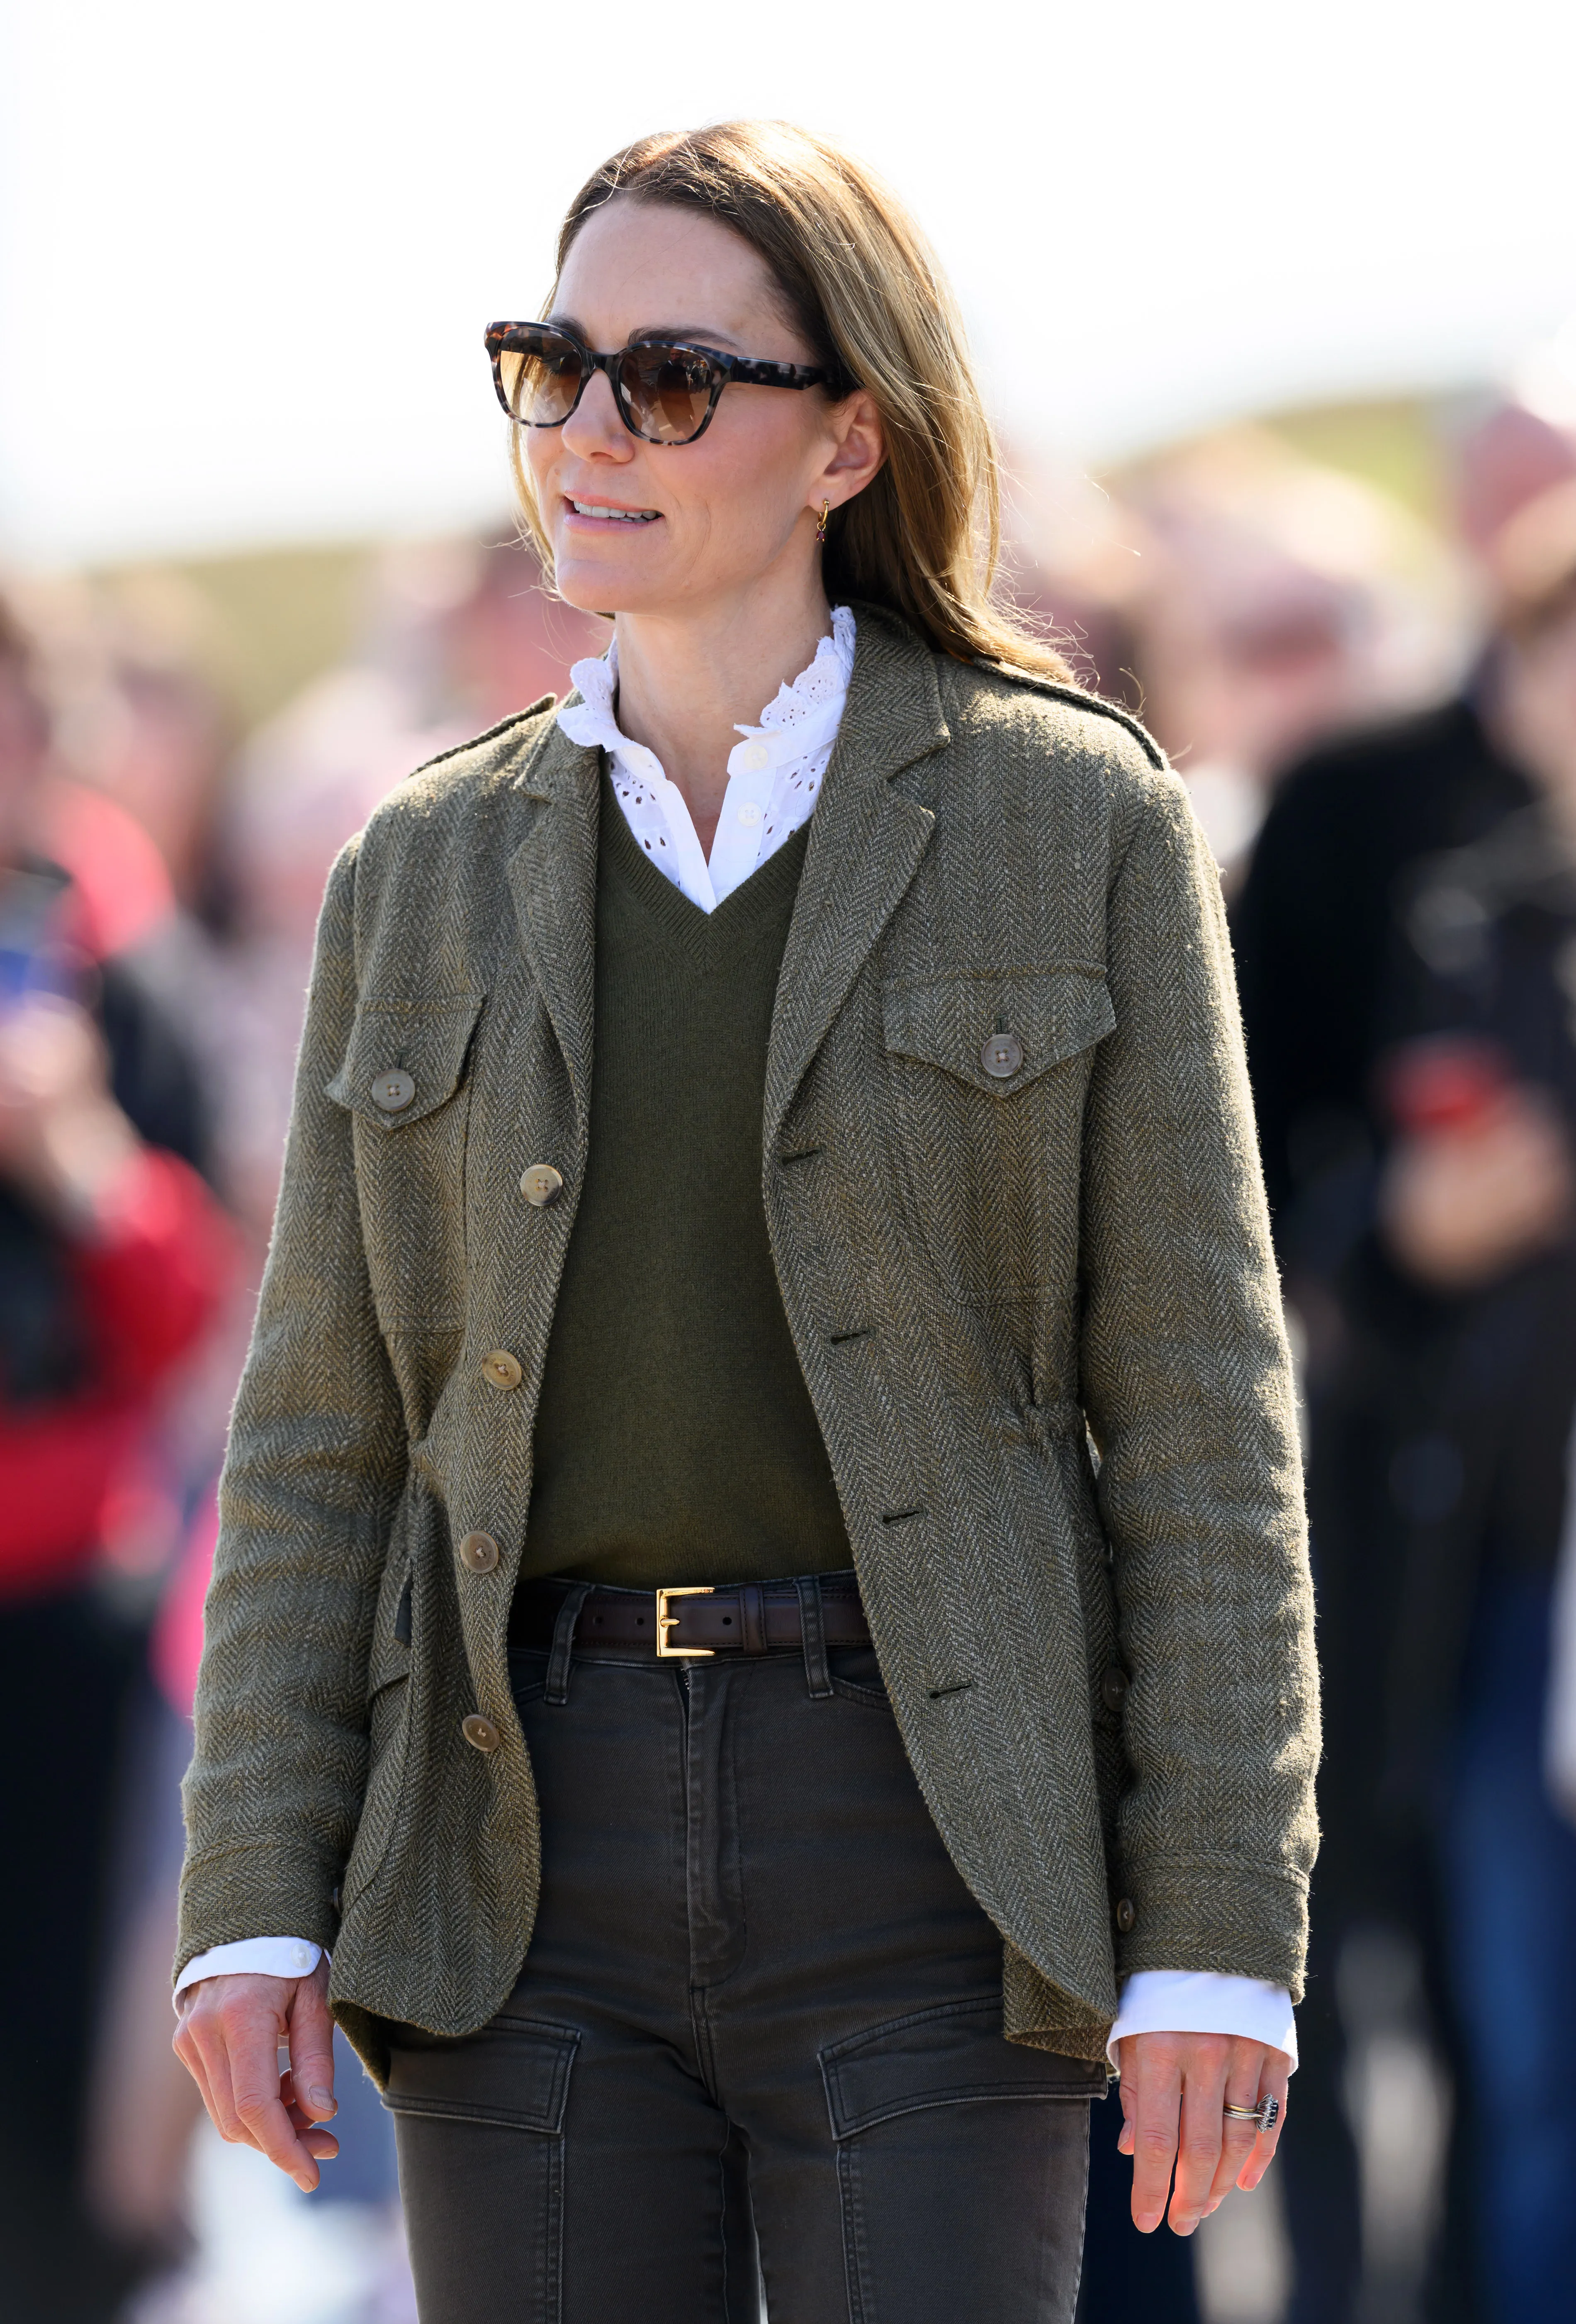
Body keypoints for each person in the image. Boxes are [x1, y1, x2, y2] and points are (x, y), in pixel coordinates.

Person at [171, 121, 1318, 2323]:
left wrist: (1213, 1934)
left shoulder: (1066, 813)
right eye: (552, 365)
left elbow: (1196, 1419)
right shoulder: (411, 869)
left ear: (843, 444)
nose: (589, 432)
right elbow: (321, 1431)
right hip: (513, 1858)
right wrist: (252, 1900)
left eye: (671, 381)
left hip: (928, 1833)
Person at [1234, 454, 1576, 2321]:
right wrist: (1397, 1226)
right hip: (1481, 1551)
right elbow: (1285, 1188)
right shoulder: (1452, 903)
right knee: (1496, 2048)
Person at [0, 594, 231, 2320]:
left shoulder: (111, 959)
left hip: (65, 1610)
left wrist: (71, 1151)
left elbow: (198, 1312)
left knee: (58, 2063)